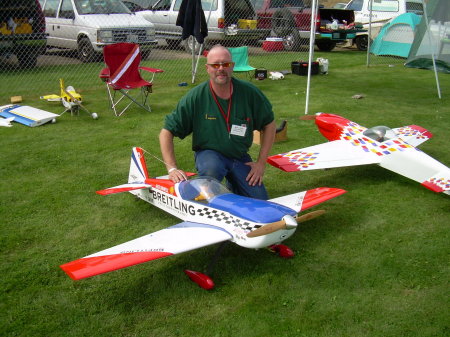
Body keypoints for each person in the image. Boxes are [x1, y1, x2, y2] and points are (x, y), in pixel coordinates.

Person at [159, 44, 276, 200]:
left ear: (232, 66)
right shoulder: (196, 97)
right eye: (215, 65)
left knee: (260, 200)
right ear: (208, 68)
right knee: (211, 173)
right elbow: (166, 132)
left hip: (239, 156)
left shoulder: (249, 93)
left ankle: (233, 184)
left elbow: (270, 124)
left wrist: (261, 163)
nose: (221, 68)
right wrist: (172, 169)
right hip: (210, 155)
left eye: (225, 64)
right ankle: (207, 188)